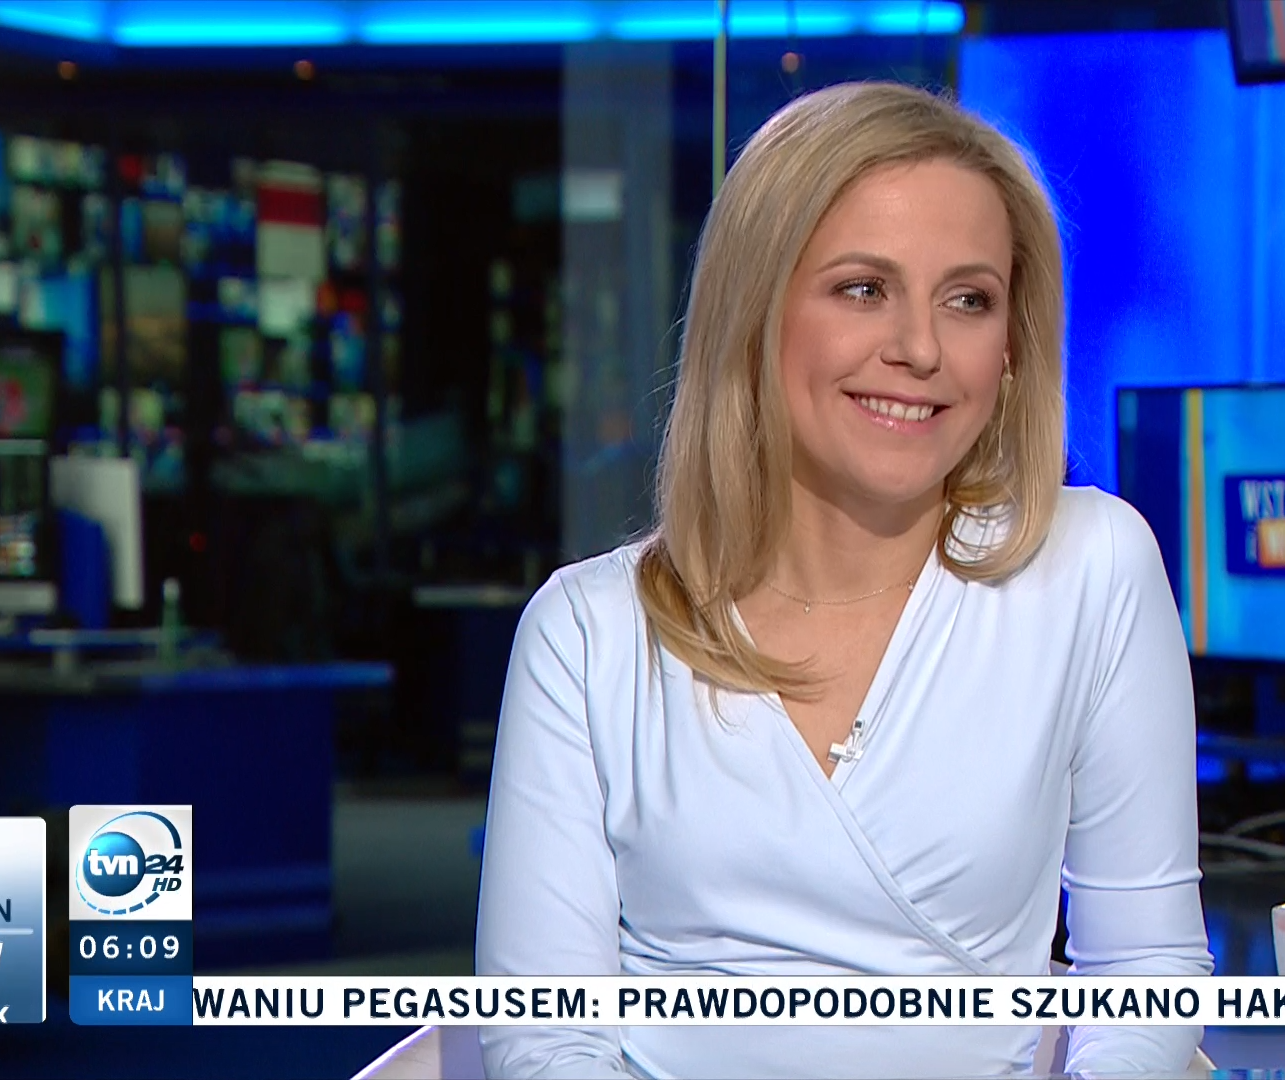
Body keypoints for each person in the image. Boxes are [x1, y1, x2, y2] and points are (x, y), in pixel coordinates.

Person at [475, 81, 1210, 1079]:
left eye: (968, 299)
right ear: (756, 312)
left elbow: (1146, 975)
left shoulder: (1091, 567)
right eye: (864, 289)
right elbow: (544, 1035)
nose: (919, 349)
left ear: (1011, 346)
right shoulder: (588, 632)